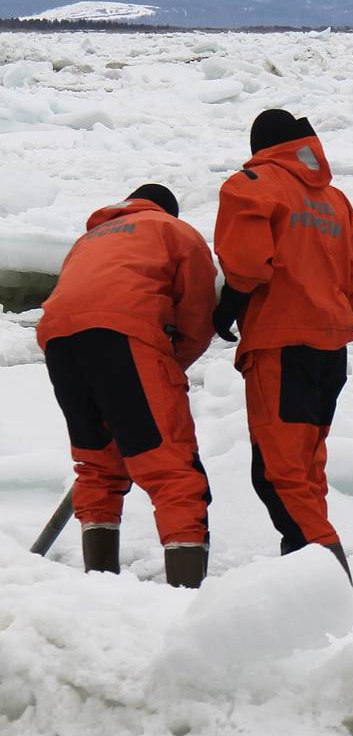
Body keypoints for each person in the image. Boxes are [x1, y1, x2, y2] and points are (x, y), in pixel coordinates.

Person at [37, 184, 216, 586]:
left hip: (59, 342)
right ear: (168, 210)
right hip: (124, 336)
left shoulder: (88, 240)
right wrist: (168, 368)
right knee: (173, 470)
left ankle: (101, 585)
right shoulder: (174, 231)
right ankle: (185, 599)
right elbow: (197, 313)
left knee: (97, 466)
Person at [213, 109, 353, 581]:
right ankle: (300, 577)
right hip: (330, 348)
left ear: (260, 146)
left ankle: (330, 581)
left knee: (280, 475)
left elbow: (247, 265)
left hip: (282, 345)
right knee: (305, 470)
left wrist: (224, 309)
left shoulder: (252, 184)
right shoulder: (336, 202)